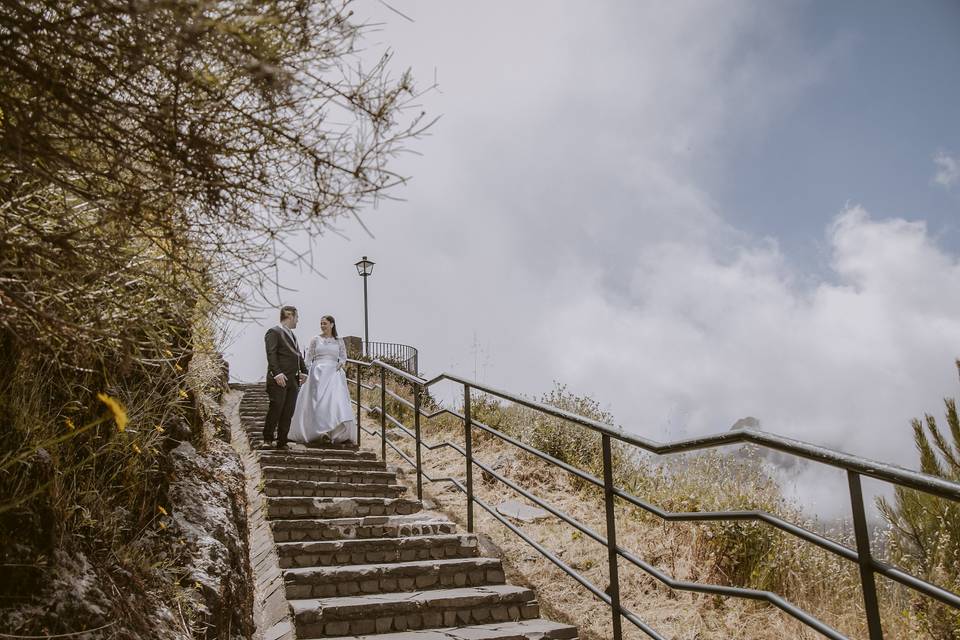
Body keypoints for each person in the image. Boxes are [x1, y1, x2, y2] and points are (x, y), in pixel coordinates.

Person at [288, 315, 358, 445]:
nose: (322, 326)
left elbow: (343, 356)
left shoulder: (338, 340)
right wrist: (305, 372)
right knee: (316, 402)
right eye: (321, 323)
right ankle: (316, 432)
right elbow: (309, 358)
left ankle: (336, 432)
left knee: (334, 402)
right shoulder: (315, 339)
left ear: (332, 324)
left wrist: (341, 363)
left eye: (325, 323)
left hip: (333, 373)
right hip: (317, 373)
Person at [262, 305, 308, 450]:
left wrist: (304, 371)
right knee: (276, 408)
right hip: (278, 379)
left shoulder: (292, 335)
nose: (298, 321)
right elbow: (271, 353)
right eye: (297, 317)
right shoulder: (274, 332)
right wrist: (276, 373)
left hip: (293, 380)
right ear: (289, 316)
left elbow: (298, 355)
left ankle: (282, 440)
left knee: (288, 411)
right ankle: (267, 439)